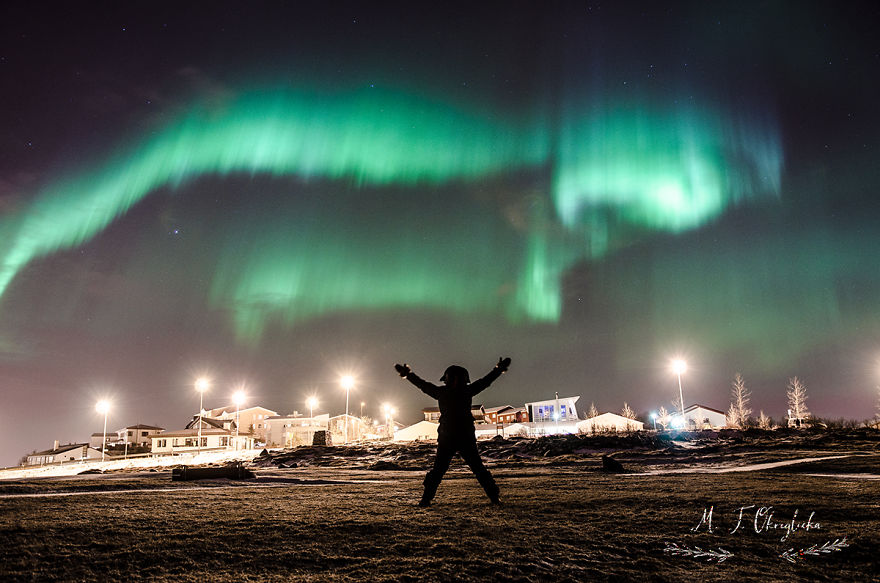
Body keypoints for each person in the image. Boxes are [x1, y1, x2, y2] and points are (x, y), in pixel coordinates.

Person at [394, 357, 511, 507]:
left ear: (448, 379)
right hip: (464, 437)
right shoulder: (467, 391)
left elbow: (422, 385)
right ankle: (494, 498)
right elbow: (485, 381)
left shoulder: (442, 392)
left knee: (438, 471)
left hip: (447, 437)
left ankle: (426, 500)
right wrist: (498, 369)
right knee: (478, 469)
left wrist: (408, 374)